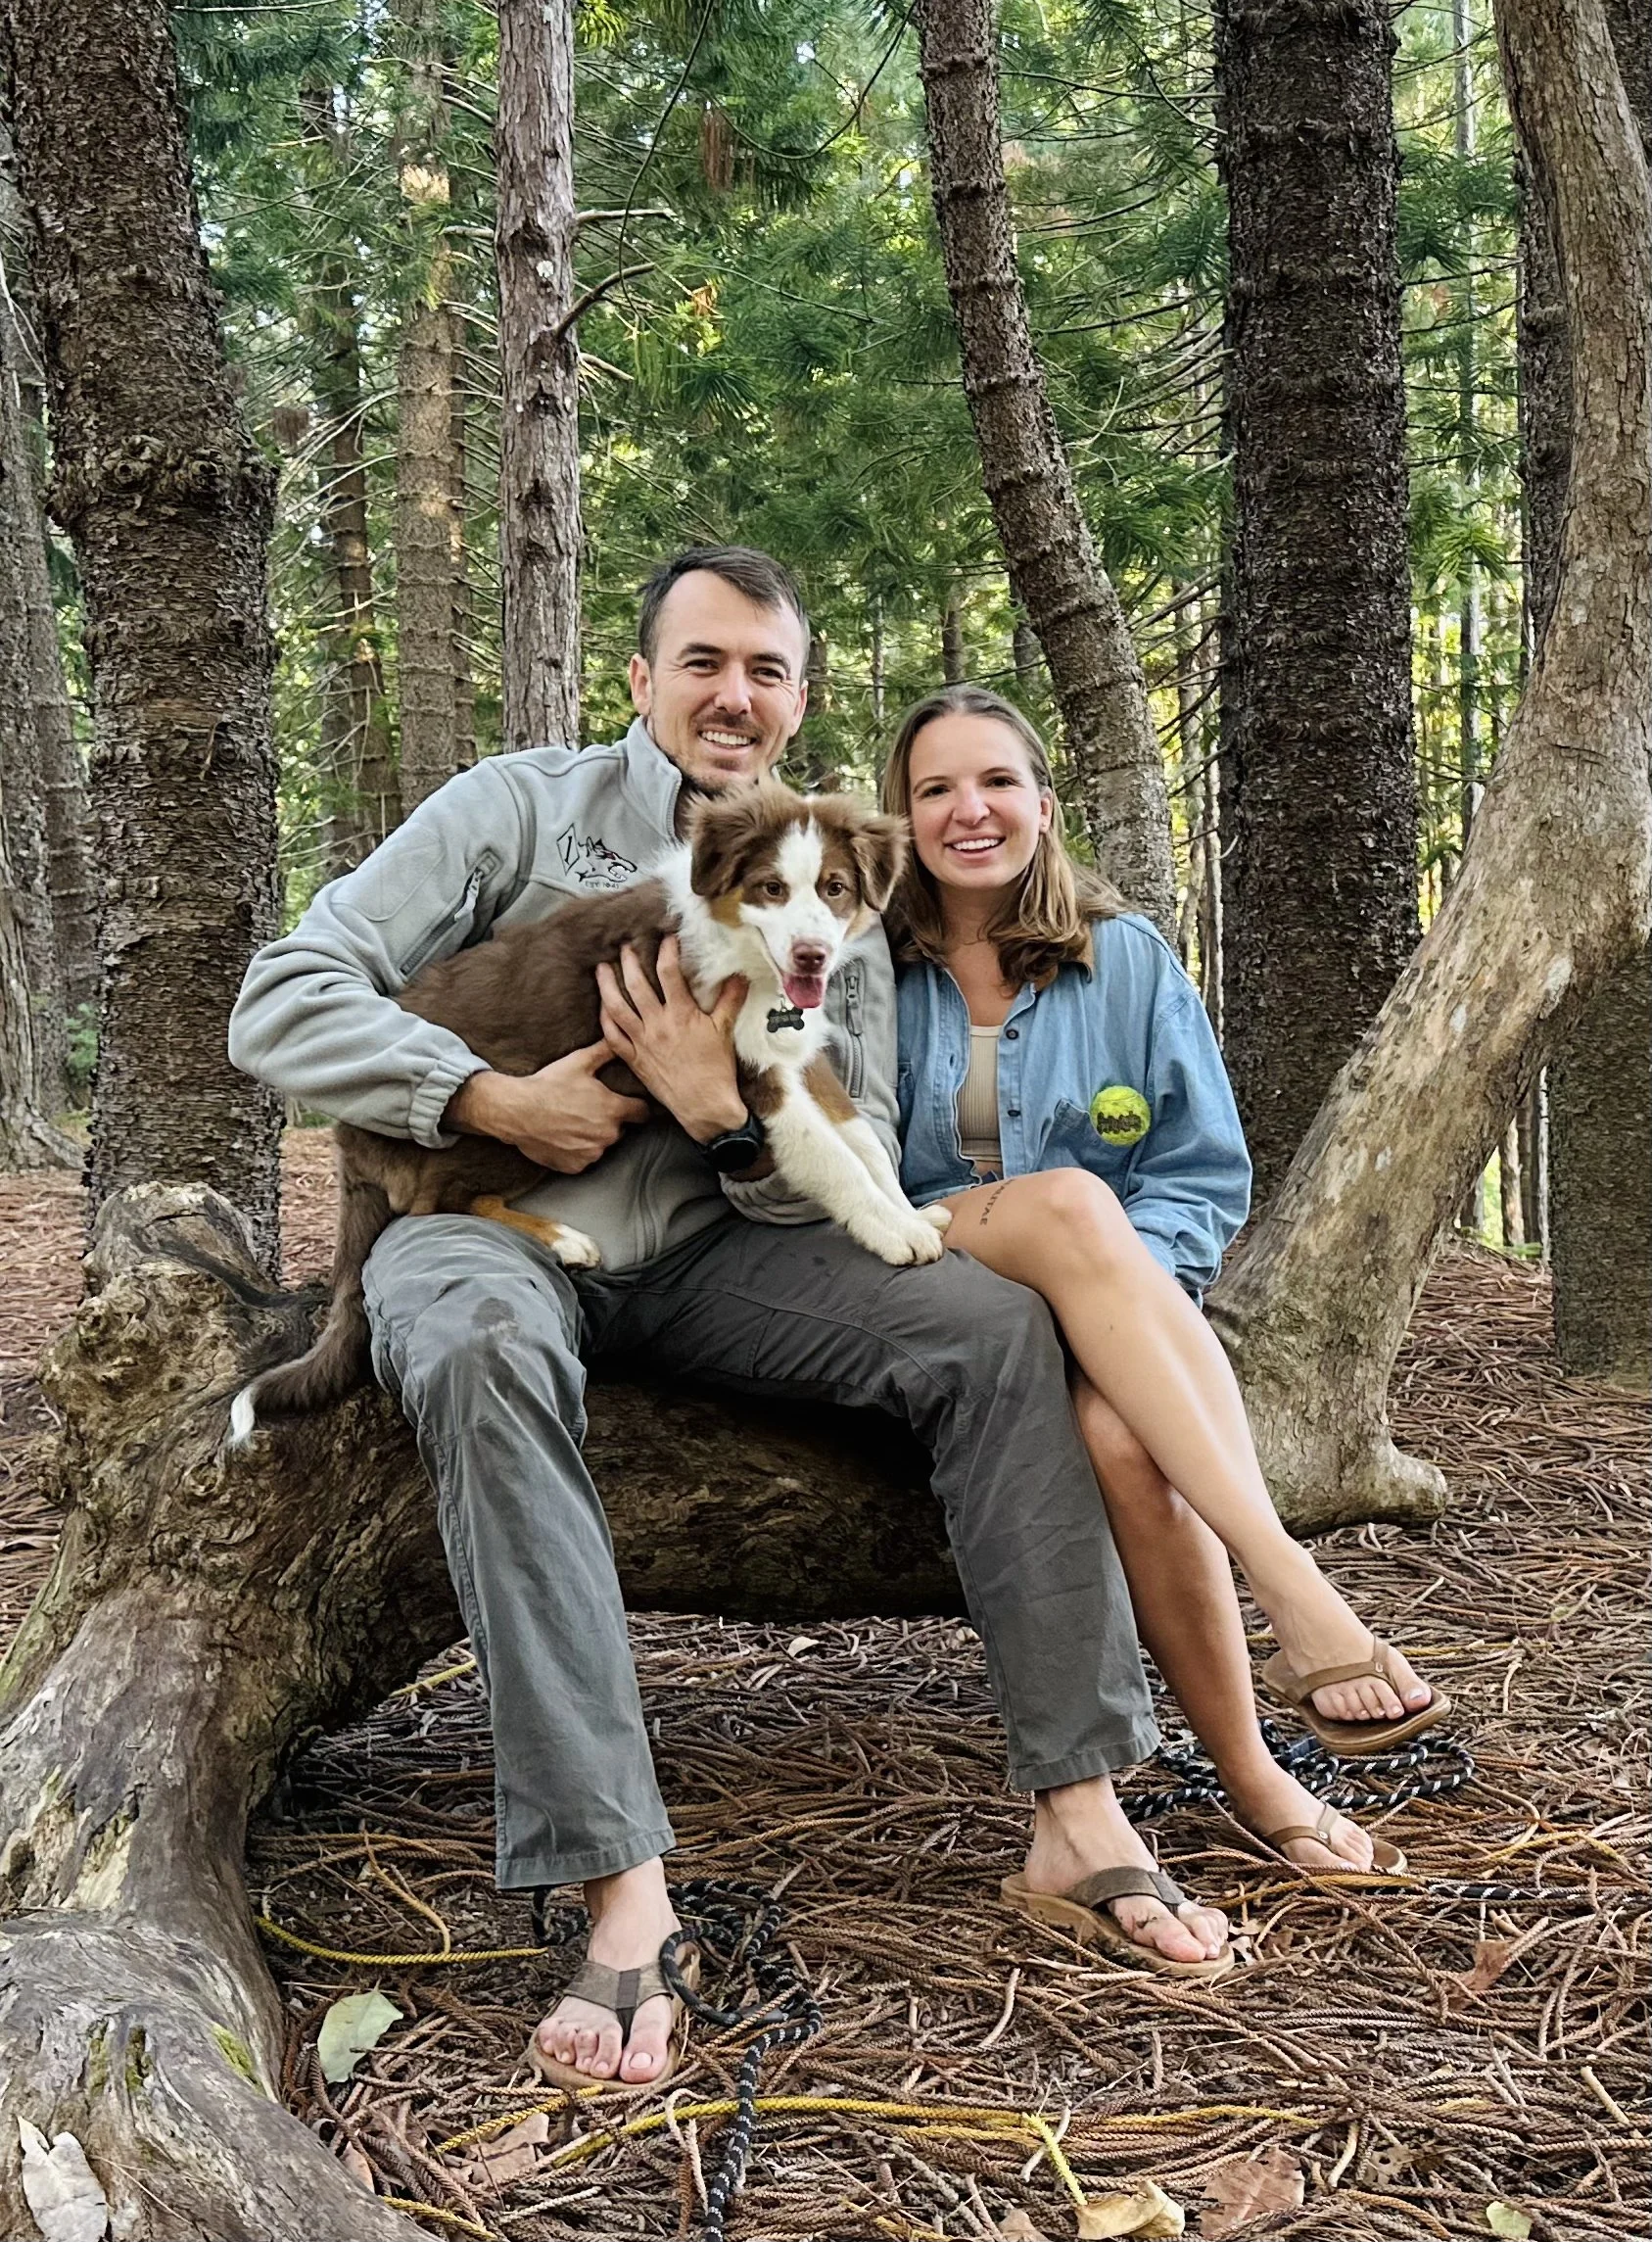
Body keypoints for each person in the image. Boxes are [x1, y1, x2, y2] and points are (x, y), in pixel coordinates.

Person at [228, 549, 1239, 2096]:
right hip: (475, 1226)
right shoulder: (516, 811)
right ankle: (613, 1875)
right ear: (639, 679)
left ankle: (1080, 1806)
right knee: (485, 1345)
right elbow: (283, 997)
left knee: (984, 1327)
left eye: (765, 670)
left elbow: (865, 1120)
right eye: (701, 661)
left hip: (712, 1247)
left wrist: (718, 1116)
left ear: (798, 698)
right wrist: (481, 1092)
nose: (733, 694)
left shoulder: (835, 866)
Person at [882, 683, 1448, 1886]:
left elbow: (1198, 1176)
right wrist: (1060, 1262)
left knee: (1127, 1441)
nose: (966, 810)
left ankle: (1253, 1774)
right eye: (934, 789)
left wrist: (1105, 1300)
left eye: (994, 783)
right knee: (1075, 1204)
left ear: (1040, 804)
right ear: (901, 818)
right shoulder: (864, 966)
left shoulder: (1123, 957)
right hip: (927, 1273)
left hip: (1107, 1297)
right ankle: (1291, 1581)